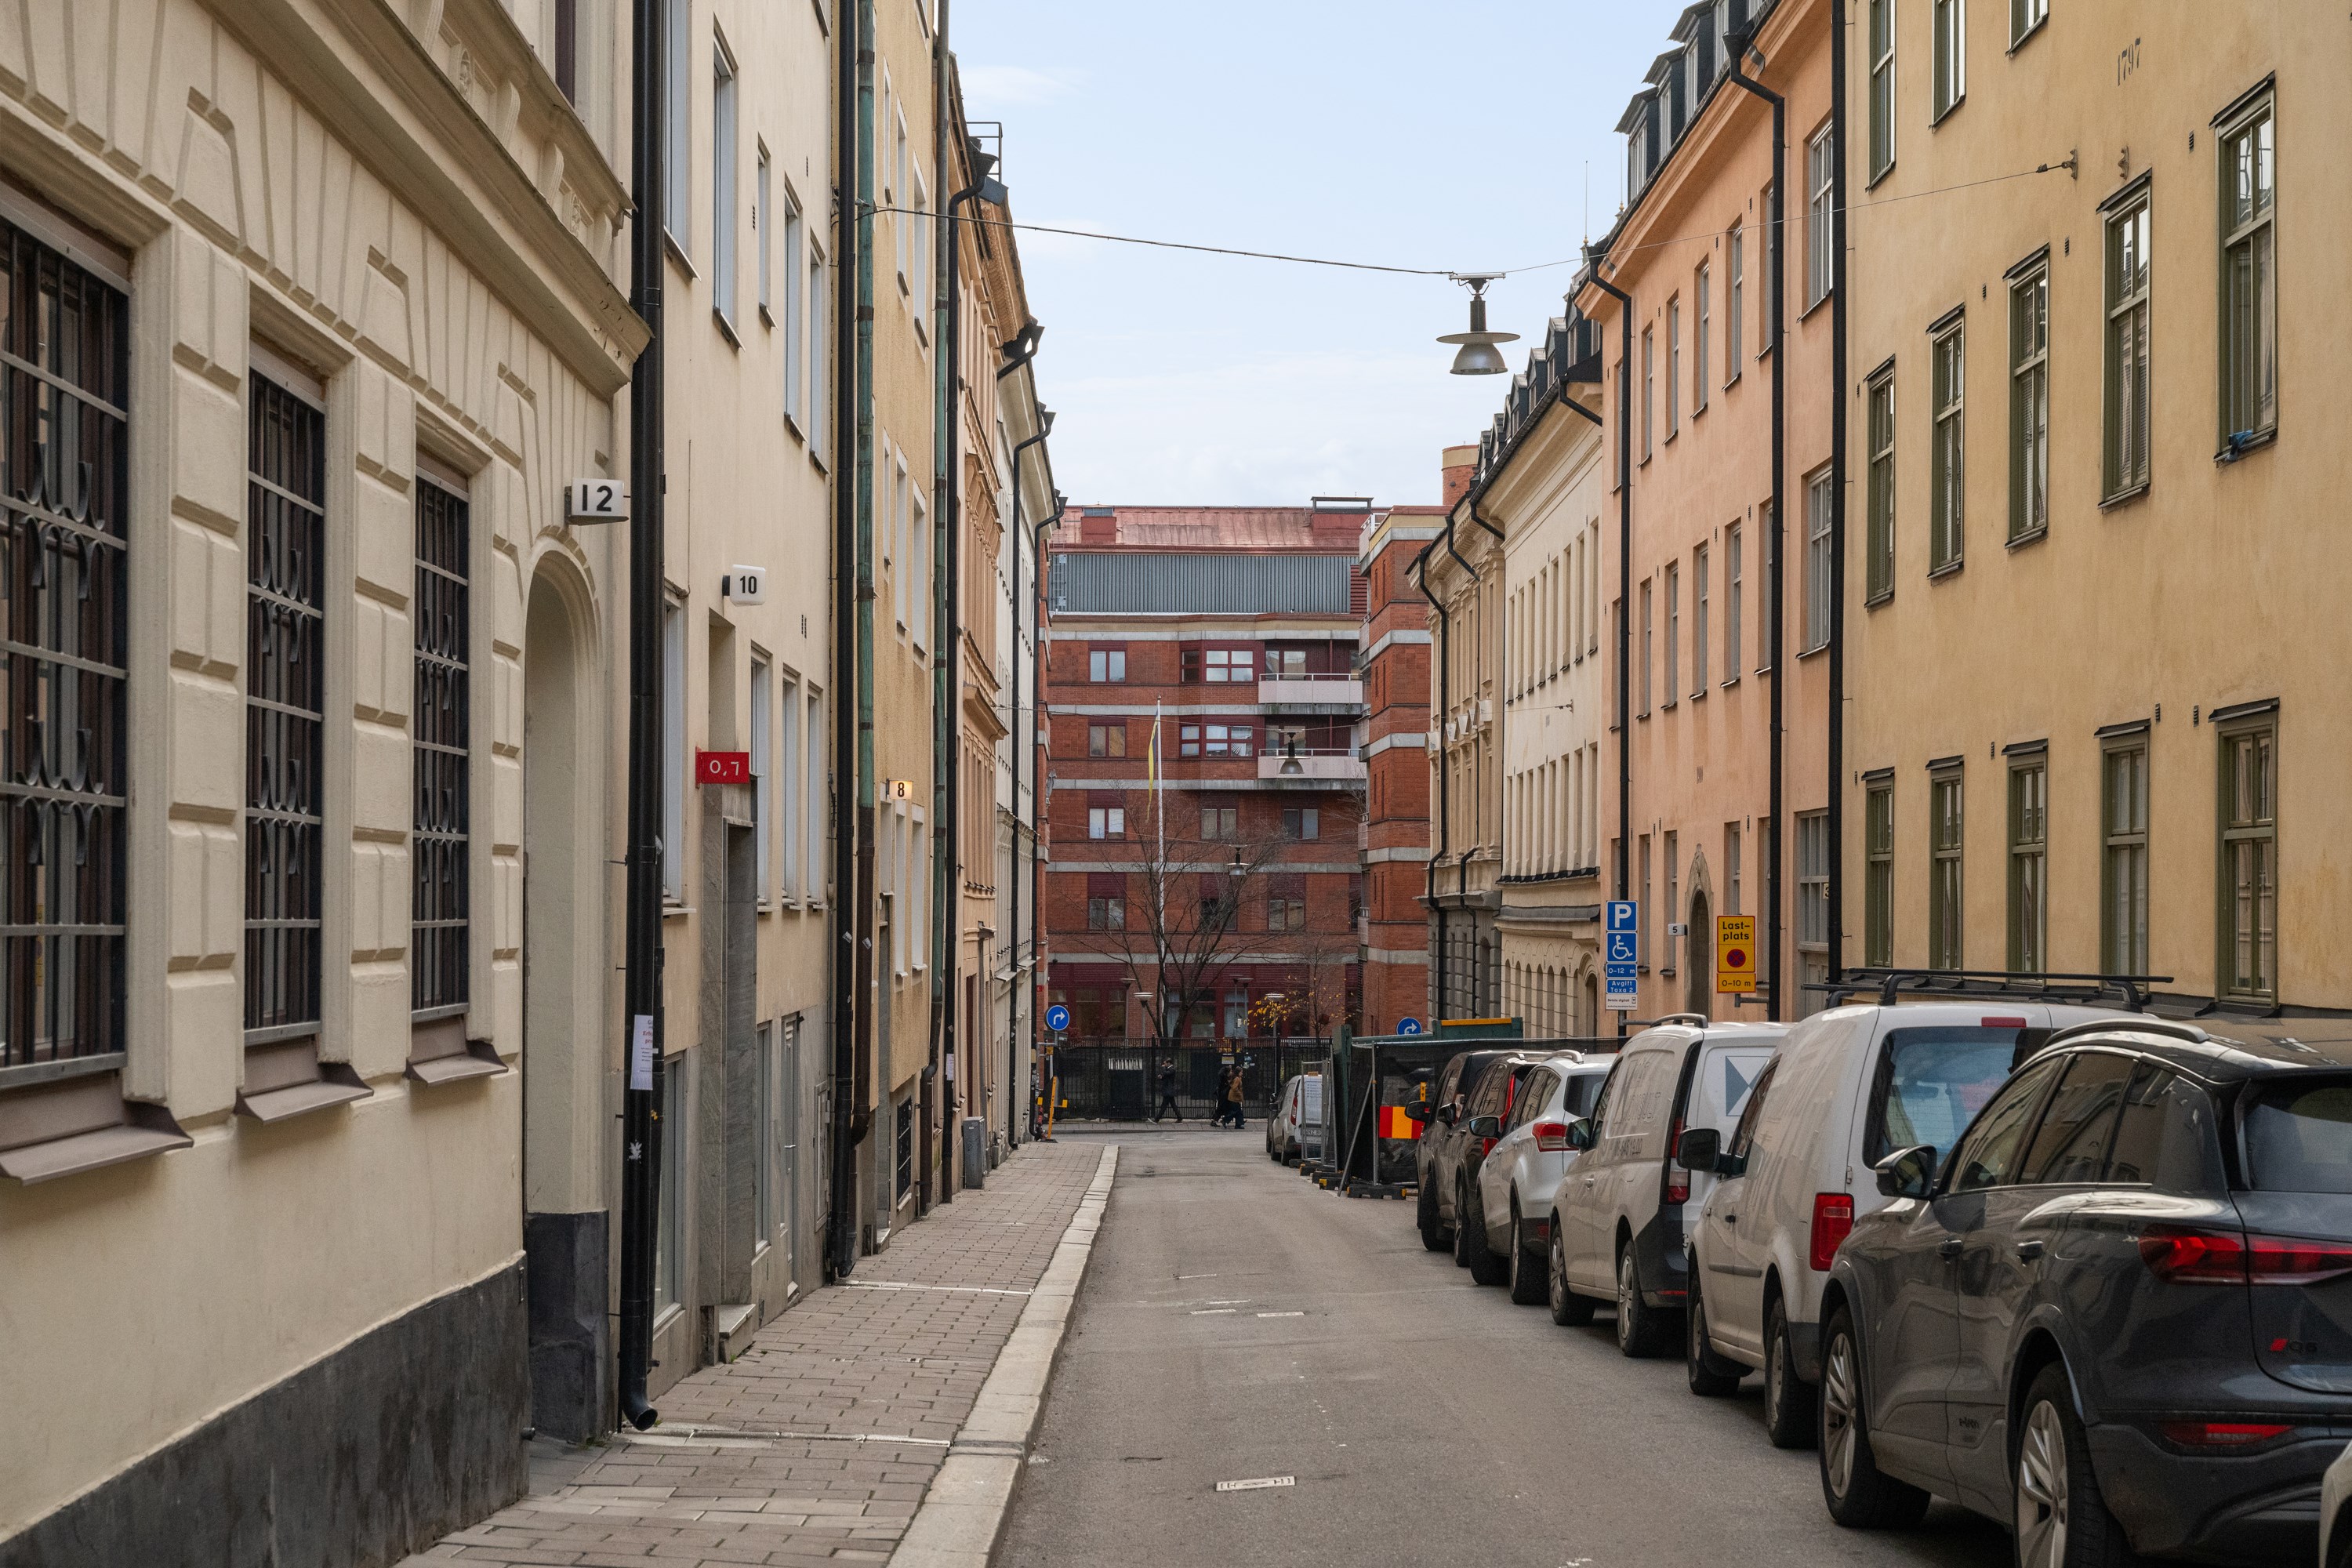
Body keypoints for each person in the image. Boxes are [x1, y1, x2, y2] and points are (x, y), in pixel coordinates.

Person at [1153, 1058, 1182, 1123]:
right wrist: (1162, 1078)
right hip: (1169, 1091)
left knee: (1164, 1106)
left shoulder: (1172, 1069)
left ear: (1169, 1063)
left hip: (1168, 1091)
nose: (1164, 1065)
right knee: (1173, 1105)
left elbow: (1166, 1074)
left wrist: (1163, 1068)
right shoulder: (1169, 1070)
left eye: (1165, 1063)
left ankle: (1157, 1119)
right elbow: (1167, 1077)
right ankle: (1179, 1118)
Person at [1225, 1062, 1247, 1127]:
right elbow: (1234, 1088)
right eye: (1241, 1072)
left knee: (1239, 1111)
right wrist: (1239, 1093)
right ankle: (1226, 1120)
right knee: (1235, 1111)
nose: (1242, 1073)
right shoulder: (1237, 1079)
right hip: (1234, 1098)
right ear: (1238, 1073)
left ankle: (1239, 1124)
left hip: (1234, 1097)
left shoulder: (1238, 1078)